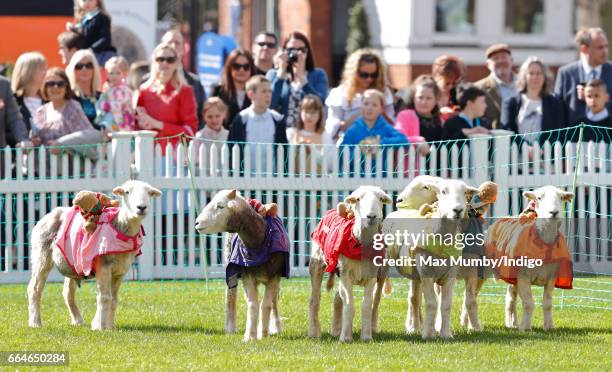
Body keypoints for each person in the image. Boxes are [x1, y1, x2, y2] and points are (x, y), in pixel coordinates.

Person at [136, 43, 198, 154]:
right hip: (146, 154)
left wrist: (157, 124)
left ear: (176, 64)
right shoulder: (143, 90)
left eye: (170, 59)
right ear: (154, 62)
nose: (165, 63)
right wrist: (141, 123)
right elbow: (135, 125)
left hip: (173, 156)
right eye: (160, 59)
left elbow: (189, 132)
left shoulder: (185, 91)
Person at [33, 68, 103, 160]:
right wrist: (34, 142)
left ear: (66, 88)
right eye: (51, 84)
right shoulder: (40, 112)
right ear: (45, 87)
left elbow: (90, 137)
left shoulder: (73, 107)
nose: (55, 87)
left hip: (73, 170)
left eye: (60, 84)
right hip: (44, 170)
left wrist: (63, 144)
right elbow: (35, 139)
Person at [326, 49, 392, 140]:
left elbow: (392, 123)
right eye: (364, 75)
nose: (369, 79)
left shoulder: (384, 92)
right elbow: (332, 130)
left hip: (378, 145)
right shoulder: (339, 93)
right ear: (353, 72)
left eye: (374, 75)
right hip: (347, 146)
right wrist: (360, 114)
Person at [267, 31, 329, 128]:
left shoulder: (318, 74)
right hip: (280, 135)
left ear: (307, 52)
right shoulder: (273, 74)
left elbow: (320, 104)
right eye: (291, 50)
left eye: (301, 50)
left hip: (308, 134)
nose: (296, 54)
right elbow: (269, 104)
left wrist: (302, 78)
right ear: (284, 52)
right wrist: (281, 74)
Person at [228, 75, 288, 174]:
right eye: (264, 91)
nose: (268, 95)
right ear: (251, 94)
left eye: (270, 91)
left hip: (272, 181)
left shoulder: (277, 119)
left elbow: (284, 152)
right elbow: (232, 150)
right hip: (246, 181)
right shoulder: (241, 119)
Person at [500, 56, 565, 145]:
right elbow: (507, 131)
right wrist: (526, 148)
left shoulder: (555, 103)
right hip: (517, 155)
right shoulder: (511, 103)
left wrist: (541, 150)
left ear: (545, 77)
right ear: (524, 76)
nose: (535, 77)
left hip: (545, 155)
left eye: (539, 73)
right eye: (531, 73)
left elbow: (559, 132)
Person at [554, 28, 612, 126]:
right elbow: (557, 112)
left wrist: (597, 98)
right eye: (600, 47)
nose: (605, 51)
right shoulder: (566, 74)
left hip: (608, 138)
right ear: (584, 49)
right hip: (574, 140)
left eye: (606, 46)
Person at [161, 29, 207, 129]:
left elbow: (202, 116)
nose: (173, 46)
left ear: (183, 48)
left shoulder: (195, 83)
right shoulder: (147, 84)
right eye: (169, 42)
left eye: (177, 43)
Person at [286, 94, 333, 175]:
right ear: (301, 112)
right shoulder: (291, 133)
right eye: (307, 111)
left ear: (320, 115)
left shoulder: (325, 136)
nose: (309, 116)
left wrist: (312, 152)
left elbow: (331, 164)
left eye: (313, 112)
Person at [10, 52, 48, 147]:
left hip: (50, 159)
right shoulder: (11, 101)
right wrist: (25, 140)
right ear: (28, 71)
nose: (46, 72)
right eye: (42, 68)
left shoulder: (50, 100)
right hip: (16, 159)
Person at [474, 44, 517, 129]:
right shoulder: (477, 88)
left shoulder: (526, 83)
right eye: (495, 58)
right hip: (495, 139)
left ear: (511, 61)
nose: (500, 61)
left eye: (504, 57)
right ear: (487, 65)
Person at [211, 49, 256, 129]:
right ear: (229, 68)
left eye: (246, 66)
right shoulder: (217, 91)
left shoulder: (258, 92)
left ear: (251, 68)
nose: (241, 70)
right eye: (236, 66)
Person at [395, 75, 443, 144]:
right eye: (420, 97)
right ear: (414, 98)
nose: (424, 102)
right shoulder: (405, 115)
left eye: (428, 98)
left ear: (436, 100)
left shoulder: (441, 120)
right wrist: (417, 141)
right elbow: (398, 138)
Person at [66, 0, 117, 66]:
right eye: (83, 0)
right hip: (89, 55)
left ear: (97, 1)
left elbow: (105, 39)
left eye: (90, 0)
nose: (87, 3)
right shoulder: (84, 18)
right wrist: (73, 29)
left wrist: (91, 49)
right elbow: (84, 37)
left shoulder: (102, 17)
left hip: (102, 55)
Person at [95, 56, 135, 135]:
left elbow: (117, 105)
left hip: (121, 122)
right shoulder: (111, 88)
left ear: (124, 74)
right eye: (111, 73)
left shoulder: (123, 90)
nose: (114, 76)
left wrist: (105, 105)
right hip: (114, 121)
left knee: (121, 141)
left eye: (118, 73)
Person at [66, 49, 102, 129]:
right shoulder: (68, 97)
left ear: (94, 69)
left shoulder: (102, 97)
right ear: (73, 70)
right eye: (79, 66)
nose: (84, 69)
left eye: (89, 65)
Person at [431, 55, 465, 122]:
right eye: (447, 83)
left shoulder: (455, 93)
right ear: (437, 77)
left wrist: (456, 114)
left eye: (454, 83)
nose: (450, 87)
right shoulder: (429, 92)